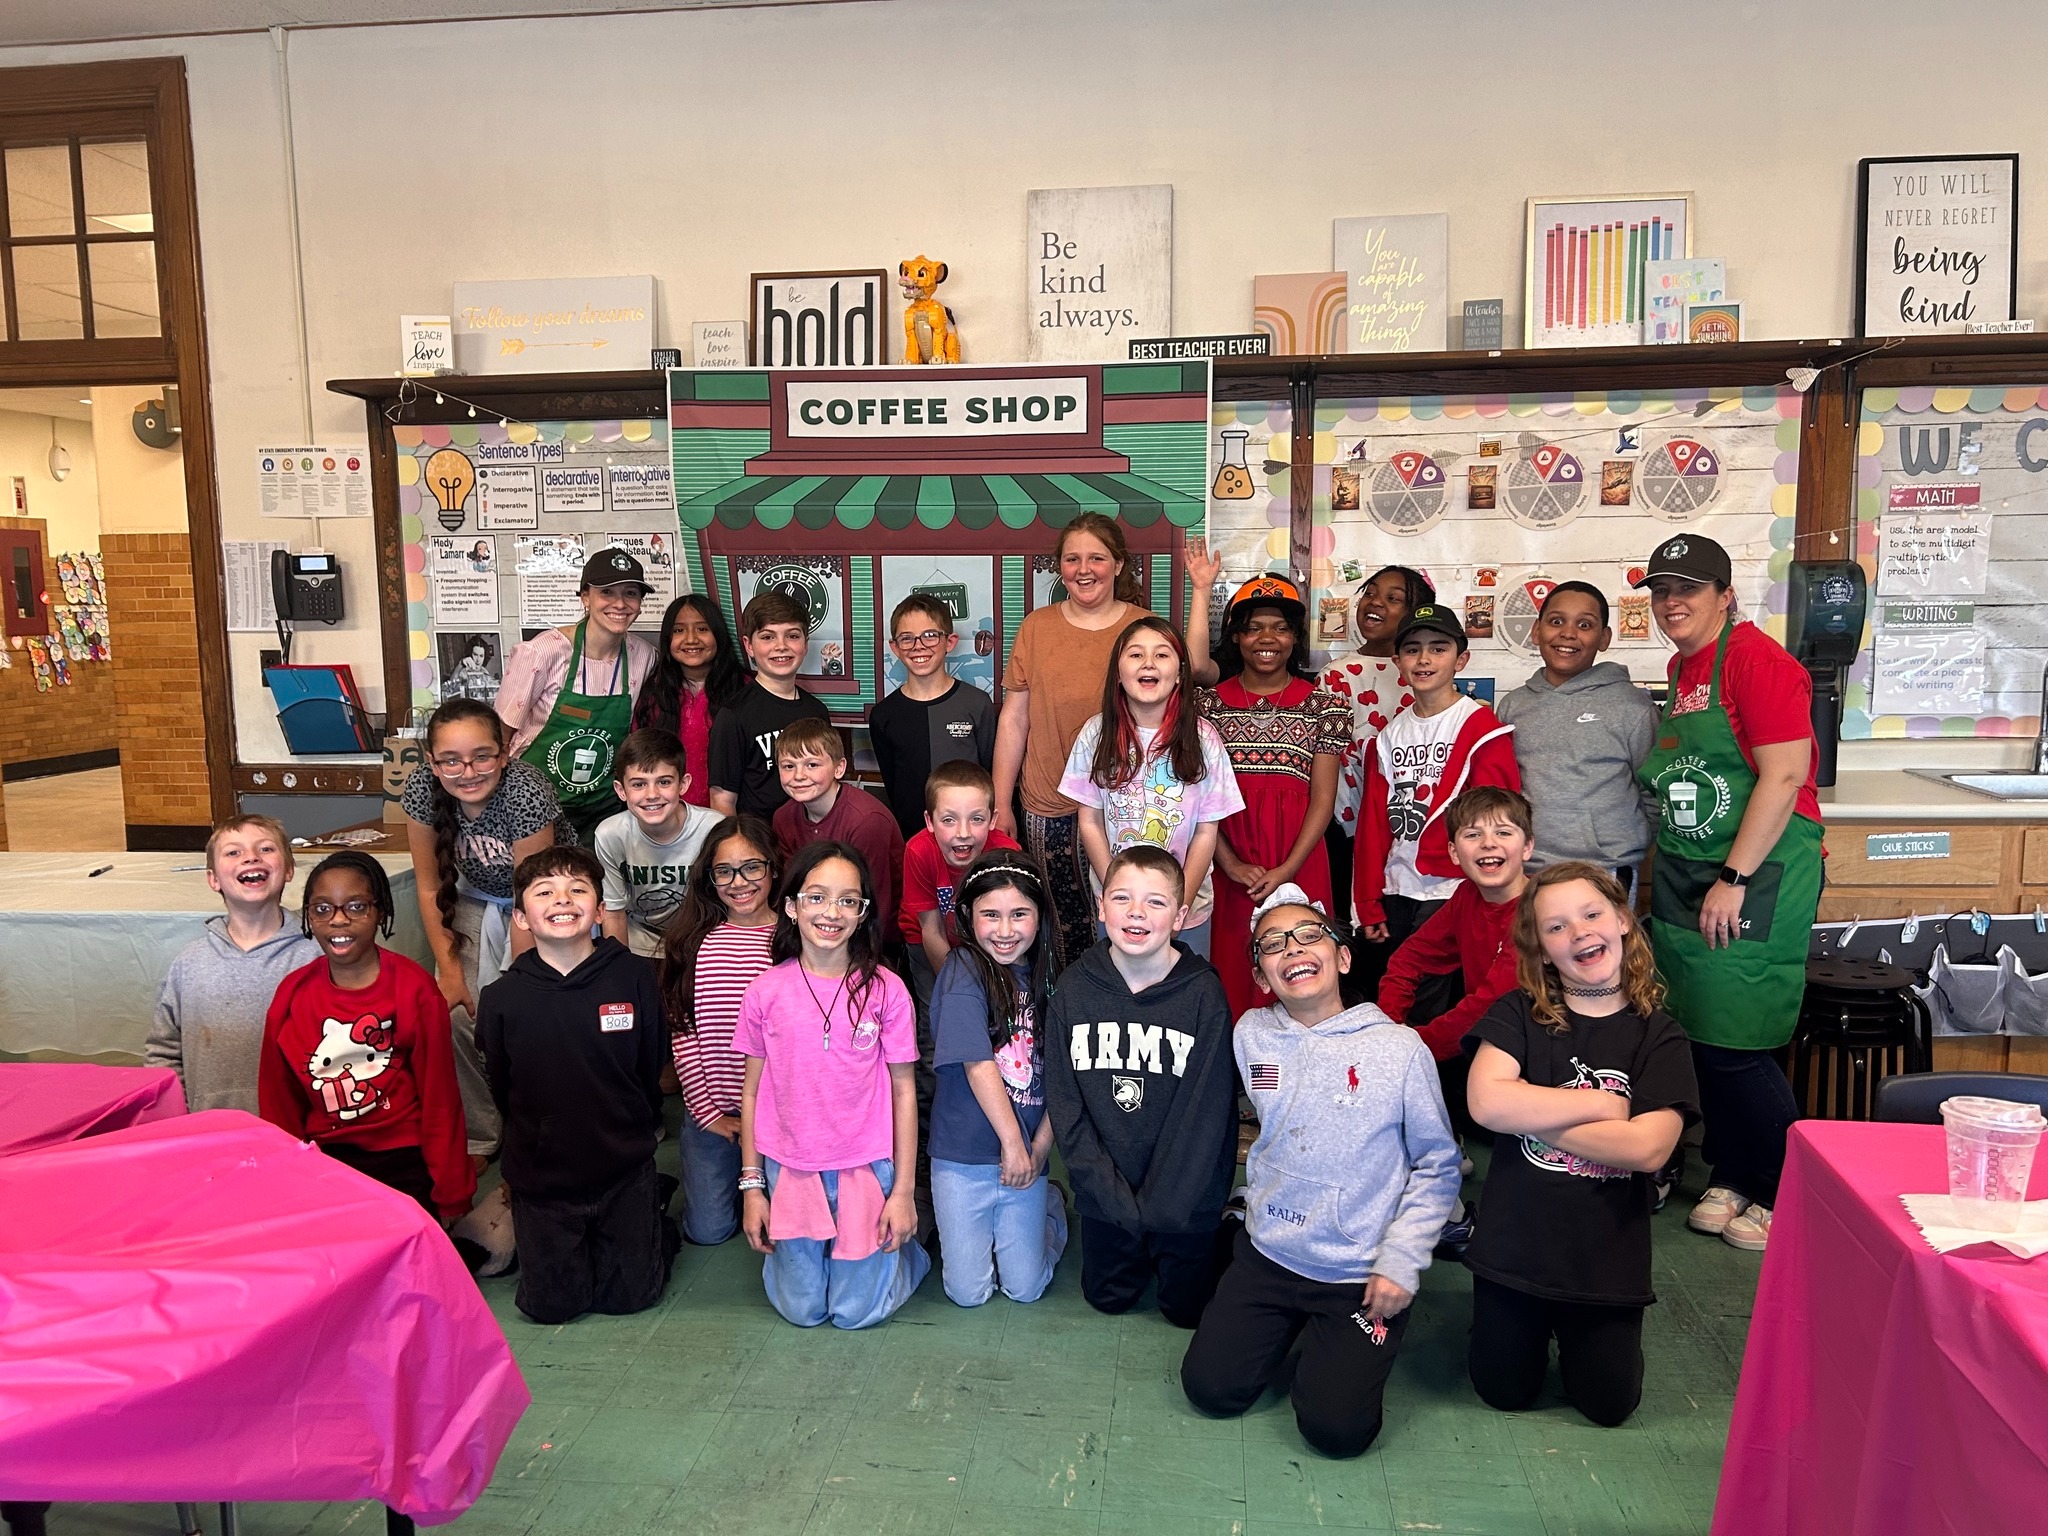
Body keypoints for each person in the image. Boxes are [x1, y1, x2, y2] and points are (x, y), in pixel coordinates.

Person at [1181, 885, 1460, 1458]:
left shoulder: (1400, 1049)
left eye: (1309, 936)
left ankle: (1335, 1343)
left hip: (1357, 1271)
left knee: (1338, 1434)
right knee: (1210, 1390)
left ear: (1343, 957)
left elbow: (1437, 1162)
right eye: (1273, 945)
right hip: (1271, 1250)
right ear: (1261, 976)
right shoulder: (1251, 1035)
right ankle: (1274, 1315)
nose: (1293, 950)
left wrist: (1400, 1263)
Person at [1634, 535, 1822, 1253]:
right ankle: (1736, 1172)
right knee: (1699, 1034)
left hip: (1754, 873)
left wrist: (1734, 879)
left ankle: (1786, 1190)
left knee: (1740, 1039)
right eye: (1660, 590)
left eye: (1687, 588)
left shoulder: (1757, 660)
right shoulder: (1685, 666)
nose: (1671, 602)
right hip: (1689, 869)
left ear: (1725, 594)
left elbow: (1780, 778)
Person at [1463, 862, 1700, 1426]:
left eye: (1592, 914)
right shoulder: (1518, 1014)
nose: (1579, 933)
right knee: (1502, 1392)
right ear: (1542, 950)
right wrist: (1604, 1106)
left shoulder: (1660, 1037)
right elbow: (1486, 1105)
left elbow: (1648, 1150)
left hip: (1604, 1262)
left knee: (1609, 1405)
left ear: (1622, 921)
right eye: (1557, 927)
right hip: (1513, 1252)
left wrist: (1530, 1109)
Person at [993, 517, 1220, 971]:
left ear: (1118, 564)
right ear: (1058, 566)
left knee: (1127, 922)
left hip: (1129, 809)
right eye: (1072, 559)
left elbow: (1195, 668)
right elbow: (1014, 718)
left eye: (1096, 557)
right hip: (1049, 805)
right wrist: (1002, 803)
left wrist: (1200, 591)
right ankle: (1069, 1017)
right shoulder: (1037, 628)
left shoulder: (1141, 631)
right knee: (1060, 928)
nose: (1084, 569)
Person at [735, 842, 929, 1327]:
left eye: (848, 900)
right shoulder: (765, 992)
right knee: (803, 1311)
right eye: (817, 897)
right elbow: (753, 1092)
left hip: (866, 1167)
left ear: (863, 913)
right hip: (789, 1167)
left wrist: (902, 1192)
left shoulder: (888, 989)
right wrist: (753, 1188)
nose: (832, 912)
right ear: (792, 905)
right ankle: (809, 1260)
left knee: (854, 1314)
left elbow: (904, 1091)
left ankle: (910, 1253)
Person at [1044, 846, 1238, 1326]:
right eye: (1123, 898)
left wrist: (1161, 1207)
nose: (1136, 912)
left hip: (1184, 1192)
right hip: (1108, 1190)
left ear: (1180, 916)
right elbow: (1067, 1108)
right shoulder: (1073, 990)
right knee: (1108, 1299)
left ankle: (1231, 1223)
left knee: (1185, 1312)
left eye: (1155, 902)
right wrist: (1111, 1197)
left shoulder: (1203, 994)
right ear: (1101, 905)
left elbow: (1207, 1115)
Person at [479, 846, 674, 1324]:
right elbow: (503, 1084)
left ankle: (656, 1219)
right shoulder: (502, 997)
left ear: (599, 909)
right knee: (552, 1307)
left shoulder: (632, 977)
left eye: (577, 889)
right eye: (545, 892)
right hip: (544, 1176)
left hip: (622, 1165)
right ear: (522, 917)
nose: (562, 899)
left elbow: (651, 1061)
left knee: (630, 1298)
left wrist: (633, 1126)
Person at [258, 852, 474, 1226]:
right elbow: (278, 1101)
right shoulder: (293, 994)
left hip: (402, 1151)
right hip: (324, 1152)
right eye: (322, 908)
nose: (338, 919)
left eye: (356, 906)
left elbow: (441, 1098)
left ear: (380, 912)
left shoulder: (414, 989)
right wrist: (287, 1179)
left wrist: (452, 1191)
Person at [401, 697, 571, 1156]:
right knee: (455, 1014)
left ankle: (537, 1127)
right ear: (433, 764)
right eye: (451, 760)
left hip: (546, 905)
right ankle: (480, 1133)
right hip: (471, 902)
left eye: (481, 756)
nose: (468, 771)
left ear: (504, 754)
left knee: (528, 1016)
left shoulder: (525, 789)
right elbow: (427, 886)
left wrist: (517, 982)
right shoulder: (419, 790)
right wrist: (451, 972)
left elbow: (530, 897)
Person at [1198, 575, 1348, 1021]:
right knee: (1232, 970)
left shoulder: (1324, 706)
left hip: (1300, 859)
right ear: (1236, 637)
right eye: (1253, 627)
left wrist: (1287, 869)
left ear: (1295, 638)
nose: (1267, 638)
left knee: (1304, 965)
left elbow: (1323, 800)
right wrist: (1228, 863)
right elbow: (1199, 799)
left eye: (1280, 628)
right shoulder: (1206, 706)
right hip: (1229, 861)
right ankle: (1240, 1078)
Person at [928, 853, 1069, 1306]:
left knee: (1025, 1289)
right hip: (963, 1159)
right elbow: (977, 1062)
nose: (1005, 930)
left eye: (1020, 914)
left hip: (1027, 1157)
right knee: (969, 1293)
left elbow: (1066, 1080)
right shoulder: (963, 968)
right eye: (991, 914)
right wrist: (1014, 1144)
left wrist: (1039, 1149)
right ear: (968, 915)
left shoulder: (1052, 981)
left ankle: (1051, 1206)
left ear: (1040, 917)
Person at [1061, 615, 1242, 959]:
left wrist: (1178, 906)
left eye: (1161, 655)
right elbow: (1090, 822)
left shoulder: (1203, 738)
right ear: (1118, 672)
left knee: (1182, 996)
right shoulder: (1095, 734)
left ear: (1180, 673)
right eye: (1135, 654)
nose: (1148, 663)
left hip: (1187, 911)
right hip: (1117, 910)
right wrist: (1116, 892)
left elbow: (1206, 832)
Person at [895, 758, 1023, 1240]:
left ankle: (1005, 1128)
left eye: (976, 819)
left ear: (993, 819)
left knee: (1004, 1045)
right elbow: (929, 928)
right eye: (948, 820)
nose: (962, 833)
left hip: (999, 954)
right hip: (937, 956)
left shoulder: (1006, 853)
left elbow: (1019, 931)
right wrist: (960, 990)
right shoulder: (919, 852)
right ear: (930, 822)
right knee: (934, 1047)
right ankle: (933, 1153)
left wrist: (988, 986)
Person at [1355, 603, 1521, 952]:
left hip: (1457, 888)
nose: (1424, 659)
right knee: (1401, 988)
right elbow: (1374, 823)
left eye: (1438, 649)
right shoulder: (1389, 736)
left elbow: (1502, 821)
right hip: (1398, 888)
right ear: (1398, 662)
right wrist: (1367, 901)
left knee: (1443, 996)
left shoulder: (1482, 729)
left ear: (1461, 660)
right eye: (1412, 650)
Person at [146, 814, 319, 1113]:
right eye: (233, 852)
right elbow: (163, 1051)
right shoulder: (189, 964)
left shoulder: (317, 956)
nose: (251, 858)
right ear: (213, 879)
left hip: (301, 1134)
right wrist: (178, 1115)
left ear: (289, 869)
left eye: (265, 849)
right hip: (210, 1131)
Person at [662, 815, 781, 1247]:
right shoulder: (693, 940)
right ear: (709, 878)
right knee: (708, 1232)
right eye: (724, 871)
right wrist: (709, 1114)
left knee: (787, 1226)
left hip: (778, 1115)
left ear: (774, 868)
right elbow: (683, 1032)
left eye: (752, 867)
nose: (739, 882)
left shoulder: (792, 940)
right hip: (712, 1112)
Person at [1496, 581, 1657, 885]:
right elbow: (1503, 789)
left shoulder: (1632, 707)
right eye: (1556, 621)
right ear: (1536, 630)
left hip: (1605, 871)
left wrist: (1622, 846)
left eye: (1584, 624)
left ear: (1604, 638)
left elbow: (1654, 793)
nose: (1568, 633)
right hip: (1526, 870)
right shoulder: (1513, 705)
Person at [496, 548, 658, 846]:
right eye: (606, 592)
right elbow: (500, 739)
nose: (620, 604)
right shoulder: (542, 652)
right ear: (585, 597)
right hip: (535, 806)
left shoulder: (643, 657)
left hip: (603, 811)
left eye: (630, 593)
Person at [1319, 565, 1431, 927]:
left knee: (1400, 922)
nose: (1376, 603)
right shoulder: (1335, 674)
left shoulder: (1422, 674)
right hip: (1343, 821)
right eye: (1370, 593)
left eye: (1393, 599)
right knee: (1351, 920)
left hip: (1408, 822)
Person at [868, 593, 997, 841]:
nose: (919, 646)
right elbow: (893, 785)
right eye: (907, 638)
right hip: (912, 837)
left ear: (949, 642)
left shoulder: (977, 703)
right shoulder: (883, 715)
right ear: (894, 647)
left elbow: (988, 772)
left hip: (969, 836)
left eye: (930, 635)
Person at [769, 717, 905, 935]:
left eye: (812, 765)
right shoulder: (783, 818)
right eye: (788, 766)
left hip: (878, 931)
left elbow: (875, 902)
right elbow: (792, 888)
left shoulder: (866, 821)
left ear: (839, 768)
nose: (799, 776)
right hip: (819, 921)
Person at [593, 727, 721, 957]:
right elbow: (613, 912)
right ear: (621, 790)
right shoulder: (610, 834)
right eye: (639, 784)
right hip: (638, 940)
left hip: (701, 941)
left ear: (683, 784)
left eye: (663, 782)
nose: (651, 794)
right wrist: (620, 972)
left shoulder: (712, 828)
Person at [708, 589, 830, 820]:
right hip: (760, 843)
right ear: (749, 645)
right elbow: (722, 800)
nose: (781, 646)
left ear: (805, 644)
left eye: (792, 636)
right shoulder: (733, 715)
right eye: (767, 637)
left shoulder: (817, 711)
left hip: (810, 843)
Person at [632, 594, 747, 809]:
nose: (691, 639)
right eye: (679, 630)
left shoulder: (745, 690)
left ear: (718, 635)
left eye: (702, 629)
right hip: (666, 819)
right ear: (667, 639)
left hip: (731, 818)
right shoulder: (654, 693)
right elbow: (639, 761)